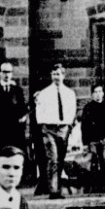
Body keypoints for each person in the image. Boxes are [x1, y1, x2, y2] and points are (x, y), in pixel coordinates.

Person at [33, 63, 76, 198]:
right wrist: (44, 127)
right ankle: (54, 191)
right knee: (53, 158)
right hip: (49, 129)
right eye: (54, 74)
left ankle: (57, 187)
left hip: (63, 128)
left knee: (61, 159)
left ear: (63, 75)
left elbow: (72, 110)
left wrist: (68, 126)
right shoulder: (45, 93)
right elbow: (39, 112)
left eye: (58, 74)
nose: (56, 77)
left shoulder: (69, 93)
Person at [0, 61, 30, 158]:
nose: (7, 75)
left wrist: (23, 118)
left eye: (9, 72)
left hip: (15, 132)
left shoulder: (17, 90)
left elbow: (23, 110)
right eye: (4, 72)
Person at [79, 83, 105, 193]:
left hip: (104, 139)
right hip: (92, 140)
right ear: (92, 94)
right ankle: (93, 187)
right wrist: (85, 142)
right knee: (93, 163)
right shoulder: (88, 108)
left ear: (103, 93)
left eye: (100, 91)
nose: (98, 94)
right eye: (95, 92)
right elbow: (84, 126)